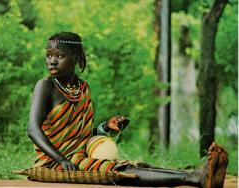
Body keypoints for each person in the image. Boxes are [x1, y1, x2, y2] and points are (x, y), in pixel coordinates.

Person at [27, 31, 228, 187]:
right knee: (120, 170)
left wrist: (105, 127)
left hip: (79, 156)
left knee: (140, 166)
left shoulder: (82, 88)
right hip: (55, 162)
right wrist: (62, 160)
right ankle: (193, 179)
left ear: (77, 58)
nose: (52, 61)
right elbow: (33, 130)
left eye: (59, 55)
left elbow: (80, 136)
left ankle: (199, 175)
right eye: (49, 56)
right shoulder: (45, 86)